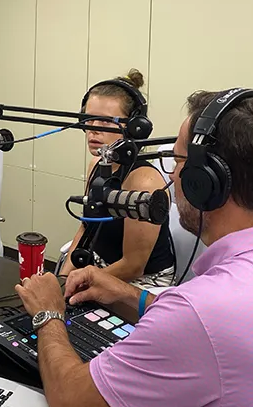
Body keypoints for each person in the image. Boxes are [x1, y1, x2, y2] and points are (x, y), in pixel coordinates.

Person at [15, 88, 253, 407]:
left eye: (178, 162)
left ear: (206, 182)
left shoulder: (201, 312)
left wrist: (48, 313)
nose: (171, 177)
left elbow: (71, 406)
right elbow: (234, 342)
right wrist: (127, 294)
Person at [58, 69, 175, 288]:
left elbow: (133, 265)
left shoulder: (144, 183)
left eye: (105, 122)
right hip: (99, 268)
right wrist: (63, 280)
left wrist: (77, 286)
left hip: (142, 281)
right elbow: (87, 226)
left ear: (134, 128)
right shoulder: (97, 164)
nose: (93, 130)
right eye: (89, 119)